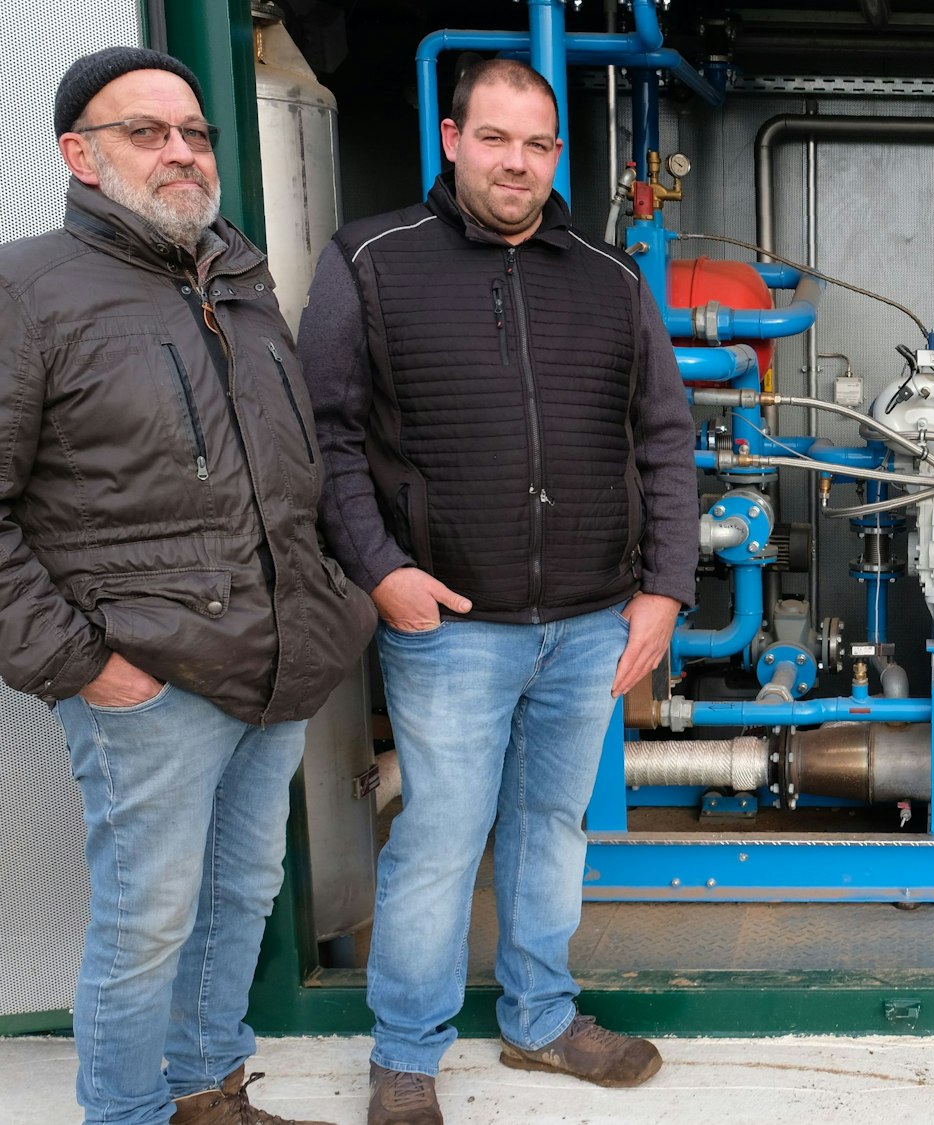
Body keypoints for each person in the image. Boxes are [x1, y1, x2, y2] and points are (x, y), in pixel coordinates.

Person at [297, 58, 697, 1125]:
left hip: (588, 621)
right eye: (495, 139)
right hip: (450, 625)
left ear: (556, 155)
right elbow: (323, 435)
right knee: (438, 840)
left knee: (551, 828)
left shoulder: (608, 278)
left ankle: (538, 1022)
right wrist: (382, 572)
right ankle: (406, 1056)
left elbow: (662, 436)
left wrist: (662, 589)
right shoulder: (371, 260)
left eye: (536, 145)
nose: (516, 163)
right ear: (451, 138)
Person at [0, 46, 377, 1125]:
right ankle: (124, 1115)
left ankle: (206, 1093)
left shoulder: (239, 282)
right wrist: (85, 667)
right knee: (147, 922)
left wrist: (323, 602)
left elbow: (286, 471)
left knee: (237, 903)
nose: (180, 152)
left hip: (271, 664)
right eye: (146, 131)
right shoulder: (26, 290)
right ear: (79, 153)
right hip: (148, 680)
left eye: (195, 133)